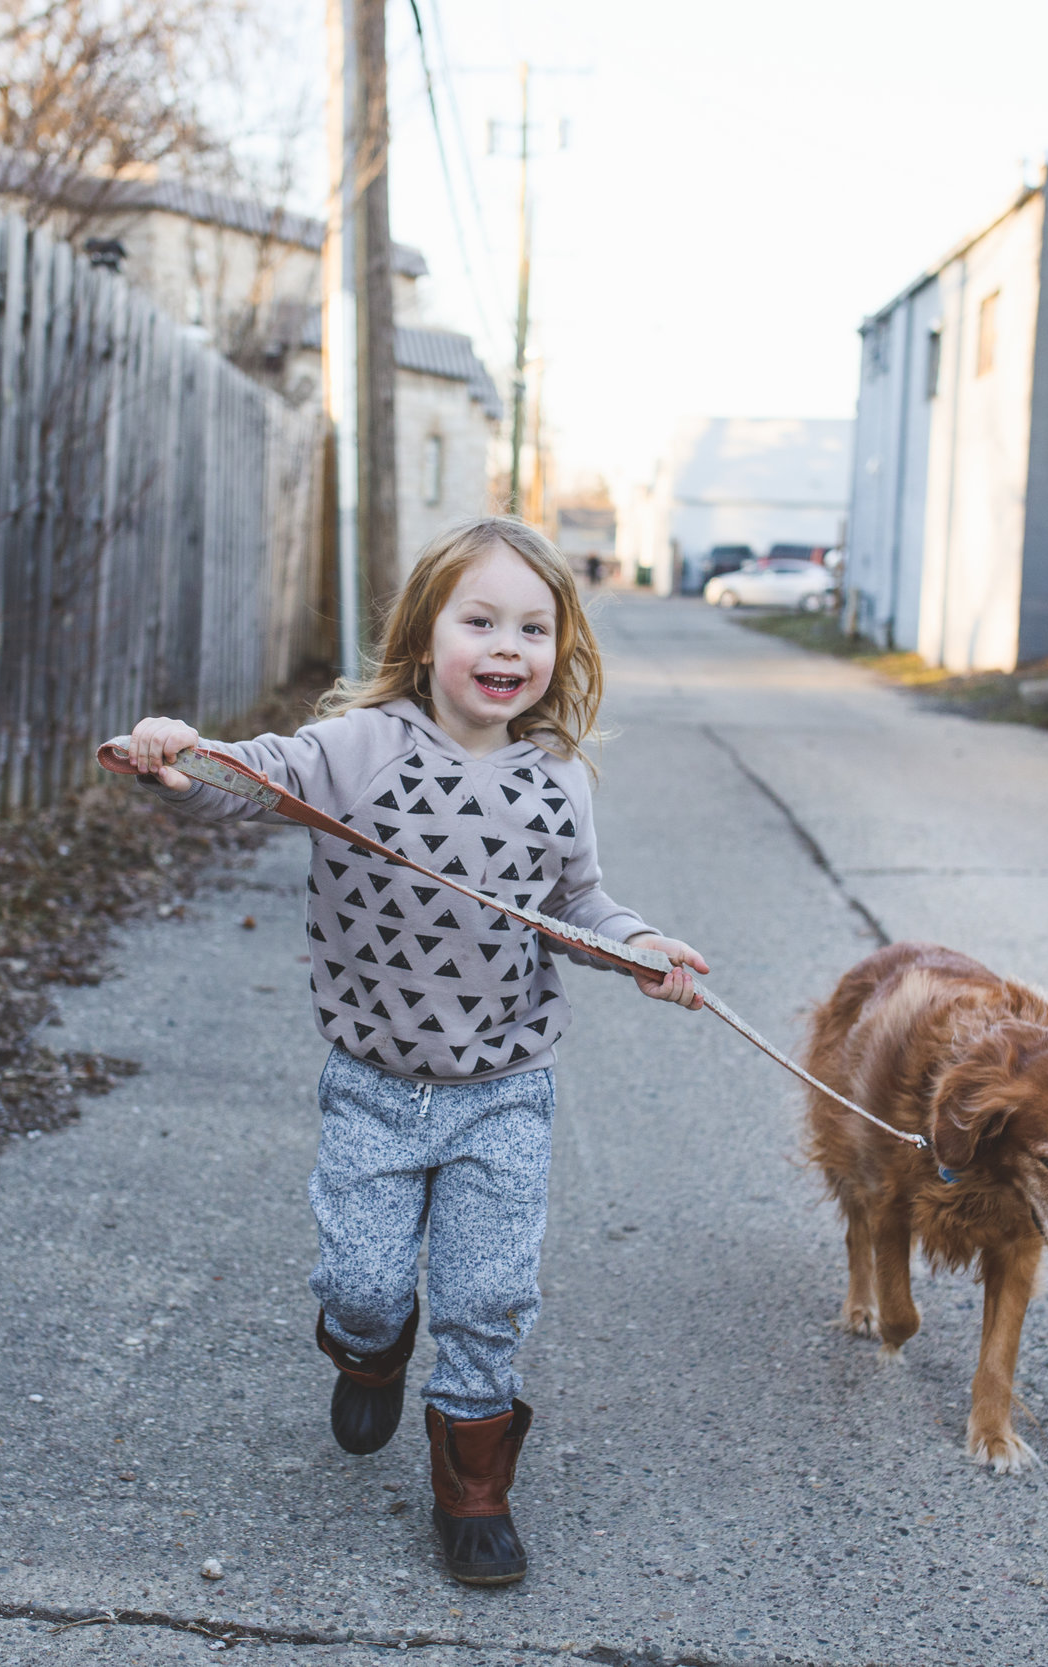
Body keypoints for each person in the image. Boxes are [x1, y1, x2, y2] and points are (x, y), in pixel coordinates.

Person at [118, 516, 706, 1587]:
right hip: (376, 1083)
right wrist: (178, 751)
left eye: (532, 627)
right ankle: (367, 1342)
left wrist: (641, 947)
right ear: (425, 632)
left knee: (488, 1291)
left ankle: (473, 1484)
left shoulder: (555, 779)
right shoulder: (356, 747)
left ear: (559, 650)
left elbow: (580, 903)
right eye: (479, 619)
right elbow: (250, 778)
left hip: (505, 1086)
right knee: (364, 1276)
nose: (505, 646)